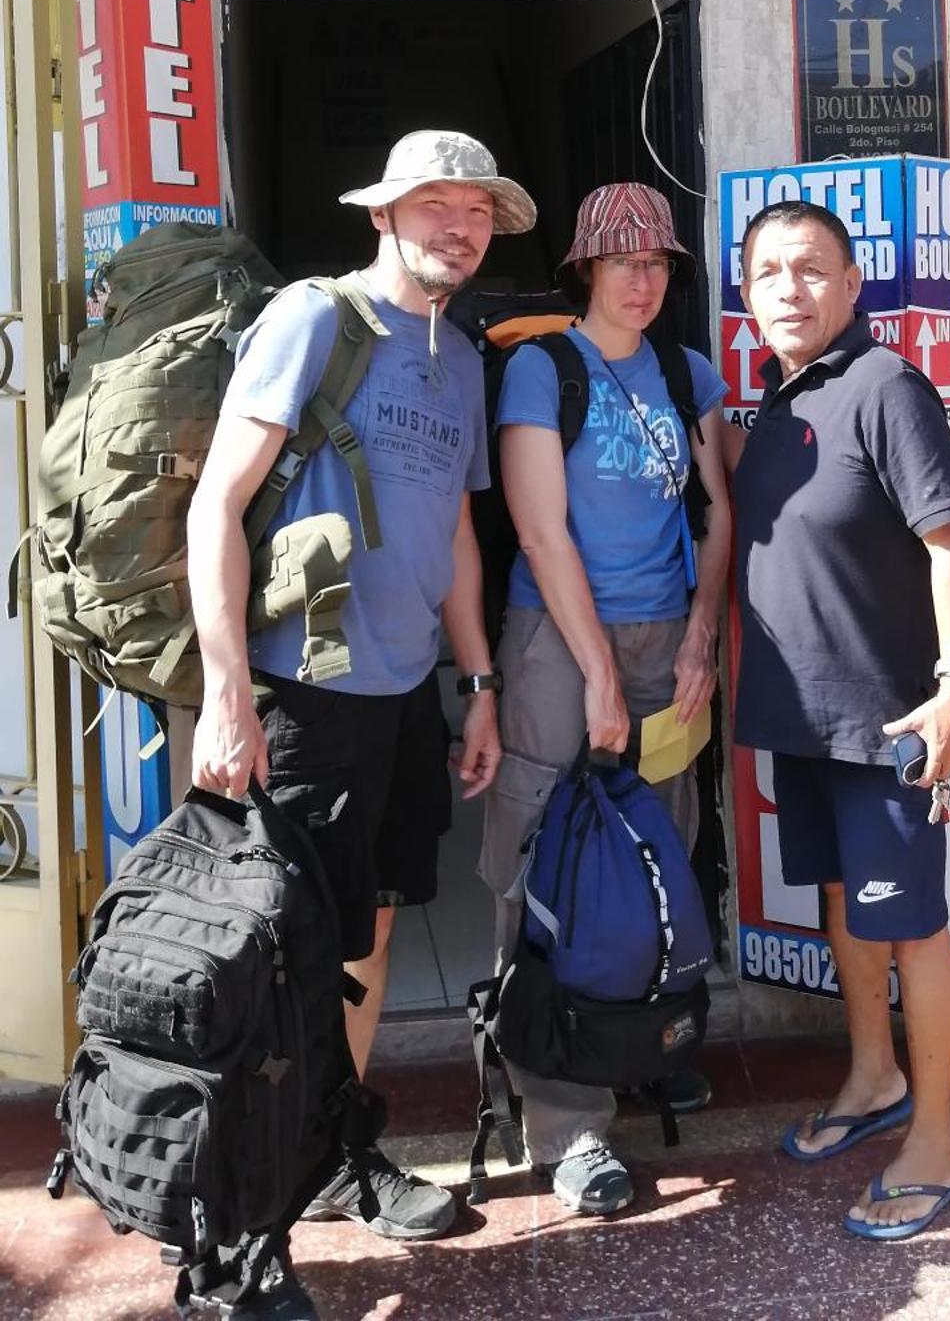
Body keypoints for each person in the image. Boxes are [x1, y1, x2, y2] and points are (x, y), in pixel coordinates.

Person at [187, 130, 534, 1318]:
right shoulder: (316, 322)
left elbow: (449, 537)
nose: (459, 225)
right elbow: (216, 504)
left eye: (477, 209)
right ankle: (232, 1244)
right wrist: (230, 690)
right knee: (275, 966)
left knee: (363, 939)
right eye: (435, 203)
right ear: (384, 213)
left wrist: (478, 679)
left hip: (397, 697)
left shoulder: (461, 356)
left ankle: (331, 1154)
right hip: (300, 694)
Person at [480, 181, 730, 1219]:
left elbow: (723, 511)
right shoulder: (543, 369)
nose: (644, 276)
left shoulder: (687, 370)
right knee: (552, 855)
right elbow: (542, 531)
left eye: (659, 261)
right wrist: (591, 670)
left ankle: (639, 1040)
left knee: (659, 850)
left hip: (669, 639)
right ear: (585, 265)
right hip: (556, 638)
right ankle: (564, 1112)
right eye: (623, 259)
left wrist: (704, 631)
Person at [732, 199, 950, 1242]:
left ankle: (936, 1137)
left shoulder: (887, 387)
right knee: (844, 899)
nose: (788, 288)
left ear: (852, 285)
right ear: (746, 294)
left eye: (811, 268)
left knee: (911, 922)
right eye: (769, 272)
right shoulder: (776, 403)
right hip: (805, 717)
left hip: (889, 718)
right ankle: (872, 1074)